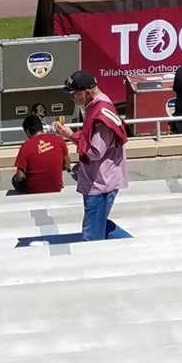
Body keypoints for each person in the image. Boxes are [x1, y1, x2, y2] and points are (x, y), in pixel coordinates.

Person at [59, 70, 128, 240]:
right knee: (100, 225)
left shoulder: (101, 113)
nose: (72, 98)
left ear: (87, 93)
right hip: (99, 180)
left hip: (101, 184)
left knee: (92, 236)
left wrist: (70, 135)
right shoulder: (97, 105)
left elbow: (95, 152)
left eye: (74, 94)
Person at [11, 114, 67, 194]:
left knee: (14, 179)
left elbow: (19, 177)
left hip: (33, 191)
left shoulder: (26, 146)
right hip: (56, 188)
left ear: (27, 131)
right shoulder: (59, 140)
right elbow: (67, 165)